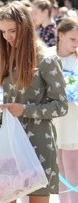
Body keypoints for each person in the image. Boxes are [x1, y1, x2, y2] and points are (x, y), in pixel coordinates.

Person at [0, 1, 68, 202]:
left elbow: (61, 106)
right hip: (10, 142)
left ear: (25, 26)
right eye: (3, 32)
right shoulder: (9, 55)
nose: (7, 37)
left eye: (12, 31)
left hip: (38, 143)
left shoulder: (47, 59)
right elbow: (10, 104)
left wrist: (24, 110)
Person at [51, 17, 78, 203]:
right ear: (60, 35)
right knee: (59, 163)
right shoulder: (49, 58)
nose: (76, 44)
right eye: (73, 39)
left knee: (72, 163)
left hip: (73, 115)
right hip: (55, 116)